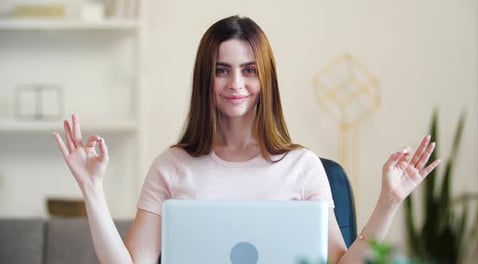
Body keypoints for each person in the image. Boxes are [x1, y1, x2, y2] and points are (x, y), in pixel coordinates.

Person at [54, 15, 441, 264]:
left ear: (265, 79)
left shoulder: (302, 167)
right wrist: (92, 189)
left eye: (249, 71)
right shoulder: (171, 166)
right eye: (222, 70)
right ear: (206, 79)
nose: (236, 84)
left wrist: (389, 201)